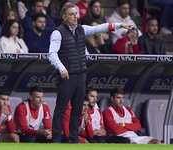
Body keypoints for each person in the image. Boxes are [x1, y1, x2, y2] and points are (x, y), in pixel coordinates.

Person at [49, 3, 134, 143]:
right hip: (67, 75)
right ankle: (56, 139)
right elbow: (52, 54)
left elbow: (99, 28)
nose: (75, 17)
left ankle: (73, 139)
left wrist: (120, 25)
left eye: (76, 14)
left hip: (81, 75)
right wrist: (61, 68)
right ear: (64, 17)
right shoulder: (57, 33)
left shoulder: (81, 29)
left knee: (77, 110)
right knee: (61, 109)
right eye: (71, 14)